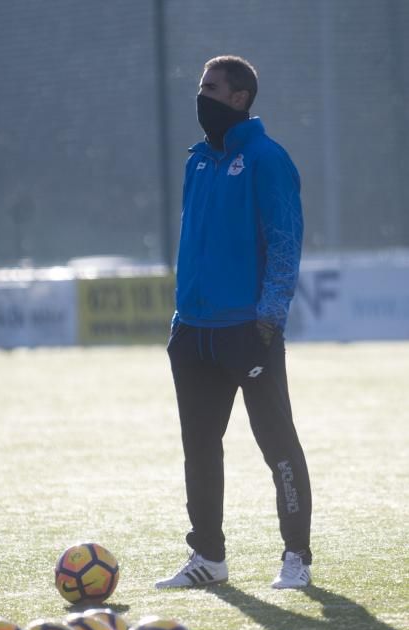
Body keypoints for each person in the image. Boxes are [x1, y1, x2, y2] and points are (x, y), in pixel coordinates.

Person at [155, 55, 312, 590]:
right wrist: (181, 319)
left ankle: (296, 557)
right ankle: (208, 558)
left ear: (239, 97)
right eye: (200, 85)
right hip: (193, 331)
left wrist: (267, 320)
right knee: (199, 447)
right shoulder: (196, 161)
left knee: (276, 443)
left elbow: (285, 242)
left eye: (210, 88)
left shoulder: (268, 159)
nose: (201, 96)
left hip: (247, 330)